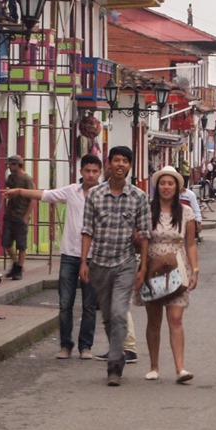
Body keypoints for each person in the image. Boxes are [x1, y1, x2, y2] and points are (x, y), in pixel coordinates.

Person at [2, 154, 101, 360]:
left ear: (99, 173)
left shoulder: (105, 195)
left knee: (89, 305)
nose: (91, 174)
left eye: (95, 171)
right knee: (65, 303)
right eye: (87, 170)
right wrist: (19, 191)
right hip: (69, 255)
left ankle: (86, 346)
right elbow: (45, 194)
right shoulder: (71, 191)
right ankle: (66, 345)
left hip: (95, 256)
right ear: (81, 171)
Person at [80, 146, 151, 386]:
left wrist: (143, 268)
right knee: (109, 317)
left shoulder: (139, 197)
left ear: (130, 166)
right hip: (99, 263)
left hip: (125, 263)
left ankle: (114, 365)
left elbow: (144, 234)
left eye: (125, 161)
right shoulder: (95, 195)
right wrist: (83, 262)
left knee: (120, 313)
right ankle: (116, 351)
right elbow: (87, 229)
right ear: (108, 164)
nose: (120, 164)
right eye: (116, 160)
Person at [133, 166, 199, 384]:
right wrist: (142, 268)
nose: (167, 187)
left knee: (176, 317)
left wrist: (194, 270)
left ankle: (180, 367)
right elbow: (140, 239)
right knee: (154, 319)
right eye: (163, 183)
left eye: (171, 183)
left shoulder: (186, 212)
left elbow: (190, 244)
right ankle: (154, 366)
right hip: (152, 265)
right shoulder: (147, 210)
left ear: (178, 187)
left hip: (177, 267)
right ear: (157, 186)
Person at [3, 154, 35, 280]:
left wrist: (26, 216)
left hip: (21, 215)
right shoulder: (11, 178)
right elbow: (8, 190)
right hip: (10, 214)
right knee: (6, 242)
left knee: (21, 244)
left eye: (11, 164)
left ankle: (19, 268)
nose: (9, 167)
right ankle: (16, 263)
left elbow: (32, 198)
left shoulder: (27, 179)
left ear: (18, 165)